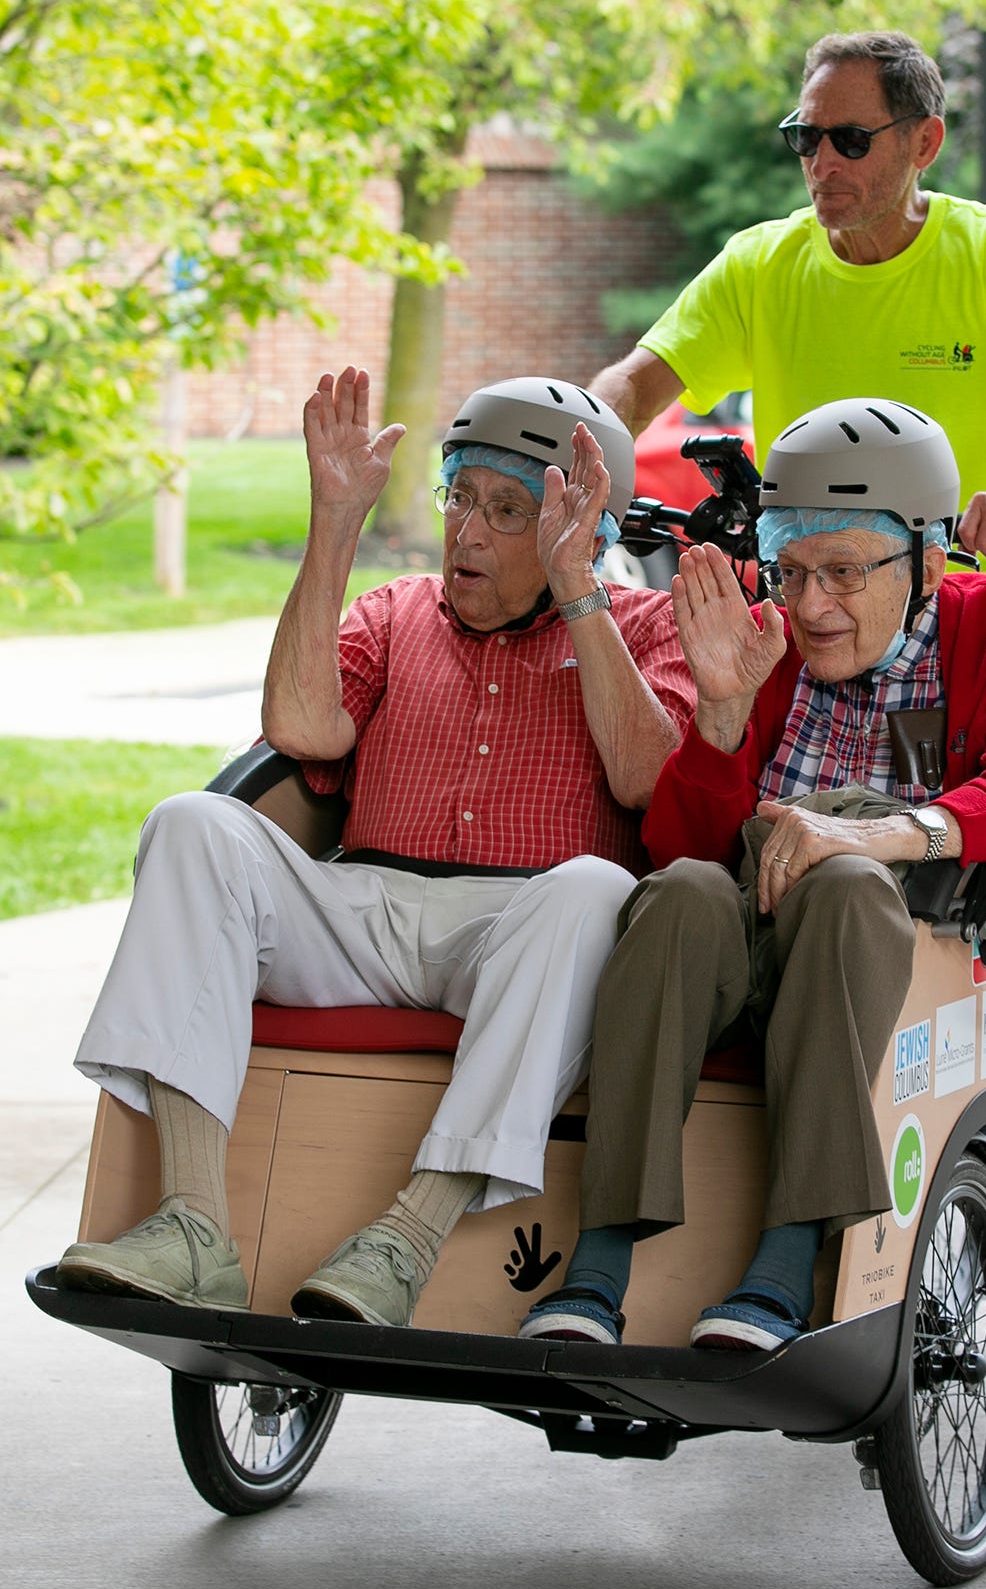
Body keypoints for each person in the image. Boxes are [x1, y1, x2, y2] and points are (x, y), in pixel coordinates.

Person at [57, 369, 694, 1326]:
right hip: (366, 904)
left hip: (523, 929)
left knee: (597, 890)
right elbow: (301, 725)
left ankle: (407, 1239)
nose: (468, 533)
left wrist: (576, 597)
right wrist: (335, 525)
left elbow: (650, 779)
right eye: (462, 499)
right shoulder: (397, 611)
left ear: (586, 534)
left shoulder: (645, 627)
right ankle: (190, 1225)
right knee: (191, 823)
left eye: (510, 513)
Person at [521, 396, 986, 1351]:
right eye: (788, 571)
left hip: (890, 946)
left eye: (842, 572)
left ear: (924, 557)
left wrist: (881, 837)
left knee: (840, 885)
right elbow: (681, 846)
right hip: (745, 930)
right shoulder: (767, 639)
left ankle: (786, 1262)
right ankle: (599, 1262)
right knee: (674, 893)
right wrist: (718, 712)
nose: (810, 604)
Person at [589, 29, 986, 583]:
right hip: (815, 608)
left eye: (850, 140)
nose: (822, 164)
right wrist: (567, 472)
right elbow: (630, 388)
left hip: (974, 602)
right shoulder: (758, 263)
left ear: (925, 145)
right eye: (806, 138)